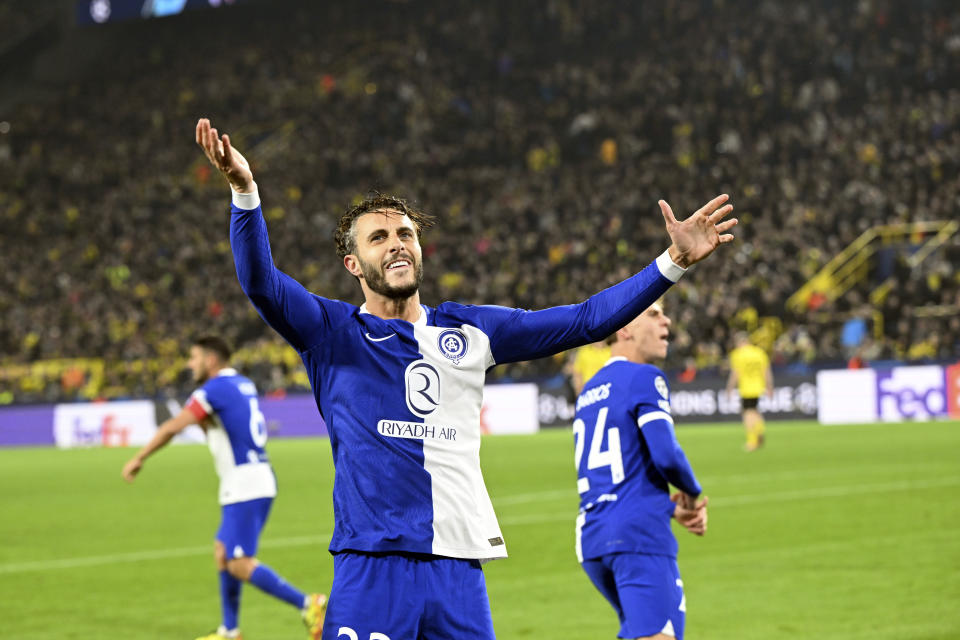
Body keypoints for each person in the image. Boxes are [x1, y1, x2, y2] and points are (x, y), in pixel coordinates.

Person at [195, 117, 736, 639]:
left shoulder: (471, 330)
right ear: (354, 264)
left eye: (406, 233)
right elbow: (261, 283)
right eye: (379, 238)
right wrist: (245, 194)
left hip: (459, 569)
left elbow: (585, 319)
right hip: (373, 563)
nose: (398, 243)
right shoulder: (332, 332)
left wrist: (673, 260)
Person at [121, 335, 326, 640]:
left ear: (211, 359)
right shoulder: (242, 384)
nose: (190, 365)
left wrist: (139, 457)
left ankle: (309, 604)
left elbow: (172, 427)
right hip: (250, 479)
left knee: (238, 562)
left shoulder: (214, 389)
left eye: (194, 358)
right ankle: (229, 631)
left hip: (246, 483)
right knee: (222, 552)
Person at [572, 301, 707, 640]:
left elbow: (619, 473)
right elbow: (667, 455)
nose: (667, 320)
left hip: (593, 539)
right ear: (624, 328)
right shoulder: (645, 378)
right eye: (654, 313)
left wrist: (670, 508)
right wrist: (691, 494)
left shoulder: (589, 391)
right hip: (638, 538)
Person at [726, 332, 773, 451]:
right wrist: (769, 387)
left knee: (747, 414)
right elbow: (766, 372)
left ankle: (753, 440)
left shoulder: (737, 354)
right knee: (755, 411)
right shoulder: (759, 353)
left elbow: (735, 374)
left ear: (740, 342)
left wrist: (730, 388)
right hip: (758, 387)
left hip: (746, 388)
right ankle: (760, 431)